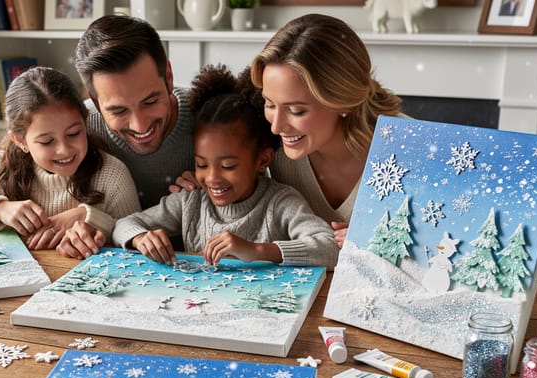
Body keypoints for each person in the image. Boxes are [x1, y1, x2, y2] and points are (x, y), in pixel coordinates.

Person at [172, 15, 402, 260]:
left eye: (296, 111)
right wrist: (204, 181)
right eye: (270, 104)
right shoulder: (279, 151)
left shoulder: (408, 147)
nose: (277, 126)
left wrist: (381, 242)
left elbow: (442, 249)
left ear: (342, 101)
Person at [112, 64, 337, 270]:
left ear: (263, 160)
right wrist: (141, 237)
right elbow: (124, 224)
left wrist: (257, 250)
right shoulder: (191, 200)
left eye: (228, 165)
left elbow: (330, 248)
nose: (212, 177)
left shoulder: (280, 203)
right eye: (201, 164)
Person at [0, 66, 140, 259]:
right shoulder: (3, 166)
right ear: (20, 140)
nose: (64, 149)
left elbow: (135, 234)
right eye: (47, 141)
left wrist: (90, 218)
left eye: (73, 133)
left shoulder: (112, 174)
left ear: (85, 120)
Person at [74, 15, 194, 210]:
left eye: (150, 102)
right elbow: (13, 152)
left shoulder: (214, 113)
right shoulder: (75, 127)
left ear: (169, 77)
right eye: (119, 111)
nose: (140, 125)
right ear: (95, 101)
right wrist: (4, 206)